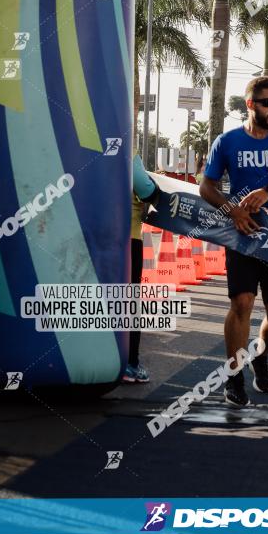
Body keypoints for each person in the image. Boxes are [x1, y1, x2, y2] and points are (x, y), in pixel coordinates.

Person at [200, 76, 268, 408]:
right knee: (242, 303)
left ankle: (260, 356)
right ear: (250, 104)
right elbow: (207, 187)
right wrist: (232, 210)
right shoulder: (227, 141)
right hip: (241, 231)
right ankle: (234, 376)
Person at [123, 154, 161, 383]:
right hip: (129, 240)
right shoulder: (129, 153)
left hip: (96, 239)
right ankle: (130, 364)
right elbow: (148, 192)